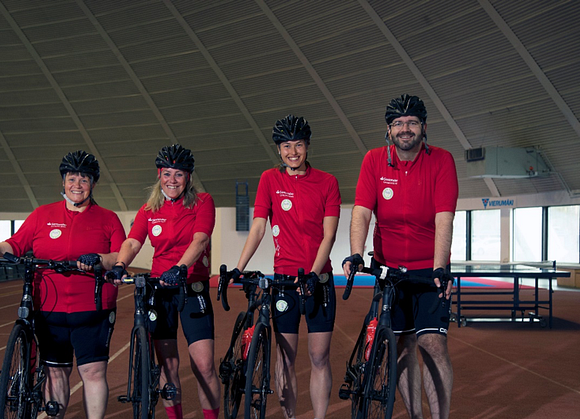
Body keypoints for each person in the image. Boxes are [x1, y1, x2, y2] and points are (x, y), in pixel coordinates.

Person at [0, 150, 126, 419]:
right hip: (49, 305)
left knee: (92, 371)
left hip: (92, 306)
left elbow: (118, 256)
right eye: (71, 179)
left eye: (83, 179)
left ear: (93, 184)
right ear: (63, 182)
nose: (76, 185)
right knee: (56, 371)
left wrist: (99, 259)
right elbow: (16, 243)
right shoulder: (42, 215)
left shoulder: (108, 218)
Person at [342, 94, 458, 419]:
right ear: (389, 130)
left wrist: (439, 266)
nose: (404, 129)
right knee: (403, 347)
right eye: (397, 124)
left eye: (411, 122)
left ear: (423, 127)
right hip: (388, 273)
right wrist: (355, 251)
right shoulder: (374, 161)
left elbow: (444, 217)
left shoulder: (442, 161)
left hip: (428, 272)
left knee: (433, 345)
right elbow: (362, 212)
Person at [232, 115, 341, 419]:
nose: (293, 151)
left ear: (307, 146)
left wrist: (314, 274)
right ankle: (290, 416)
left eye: (298, 145)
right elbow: (257, 228)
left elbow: (329, 235)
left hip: (318, 281)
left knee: (319, 357)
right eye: (286, 146)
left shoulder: (327, 182)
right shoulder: (270, 179)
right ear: (278, 150)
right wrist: (240, 268)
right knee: (286, 357)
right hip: (284, 284)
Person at [109, 144, 220, 419]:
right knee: (168, 364)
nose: (172, 180)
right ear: (159, 175)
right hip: (159, 289)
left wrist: (181, 267)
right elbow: (133, 241)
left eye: (179, 174)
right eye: (167, 173)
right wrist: (120, 264)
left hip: (191, 286)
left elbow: (201, 238)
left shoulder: (203, 201)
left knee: (204, 365)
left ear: (188, 178)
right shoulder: (148, 209)